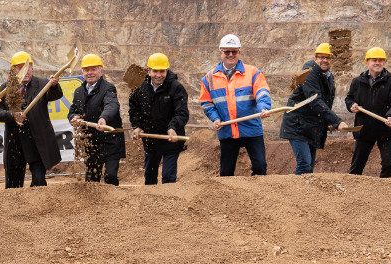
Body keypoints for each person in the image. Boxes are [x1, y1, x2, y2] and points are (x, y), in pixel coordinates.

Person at [199, 34, 272, 176]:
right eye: (227, 51)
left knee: (260, 167)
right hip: (227, 129)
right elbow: (206, 102)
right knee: (226, 172)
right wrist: (215, 118)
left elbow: (262, 91)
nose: (230, 55)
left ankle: (257, 196)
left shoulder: (252, 73)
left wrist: (264, 107)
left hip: (251, 127)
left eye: (234, 51)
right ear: (221, 52)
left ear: (239, 52)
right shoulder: (209, 78)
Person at [0, 51, 62, 188]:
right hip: (15, 142)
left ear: (32, 68)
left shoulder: (43, 84)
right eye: (20, 67)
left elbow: (55, 95)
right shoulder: (6, 87)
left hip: (37, 141)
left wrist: (53, 85)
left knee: (38, 179)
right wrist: (12, 114)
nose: (26, 71)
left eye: (28, 67)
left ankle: (39, 206)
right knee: (13, 183)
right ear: (13, 70)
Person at [279, 43, 347, 175]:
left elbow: (326, 103)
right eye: (321, 57)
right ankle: (295, 194)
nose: (325, 60)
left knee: (309, 167)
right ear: (315, 58)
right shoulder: (309, 73)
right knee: (304, 164)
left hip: (310, 126)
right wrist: (337, 121)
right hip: (297, 125)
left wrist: (328, 122)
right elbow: (315, 100)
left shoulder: (328, 77)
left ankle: (306, 195)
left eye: (328, 58)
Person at [129, 53, 190, 184]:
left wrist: (173, 127)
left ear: (166, 71)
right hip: (151, 140)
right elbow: (134, 109)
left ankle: (169, 203)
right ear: (148, 71)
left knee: (168, 177)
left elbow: (182, 112)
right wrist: (137, 126)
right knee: (150, 178)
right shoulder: (140, 88)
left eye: (162, 71)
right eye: (155, 71)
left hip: (171, 140)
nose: (158, 75)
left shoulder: (176, 87)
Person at [345, 47, 391, 177]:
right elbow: (349, 98)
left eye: (381, 60)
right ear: (367, 62)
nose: (378, 63)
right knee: (357, 166)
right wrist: (352, 105)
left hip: (386, 129)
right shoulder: (358, 82)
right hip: (365, 129)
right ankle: (352, 192)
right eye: (374, 60)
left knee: (388, 164)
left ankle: (384, 191)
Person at [68, 54, 126, 185]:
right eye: (86, 70)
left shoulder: (108, 88)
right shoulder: (78, 91)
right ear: (82, 73)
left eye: (93, 69)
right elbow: (73, 110)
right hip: (91, 143)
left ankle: (113, 203)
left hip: (110, 140)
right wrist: (73, 117)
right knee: (92, 180)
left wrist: (103, 118)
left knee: (110, 176)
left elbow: (112, 104)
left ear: (101, 71)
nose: (90, 73)